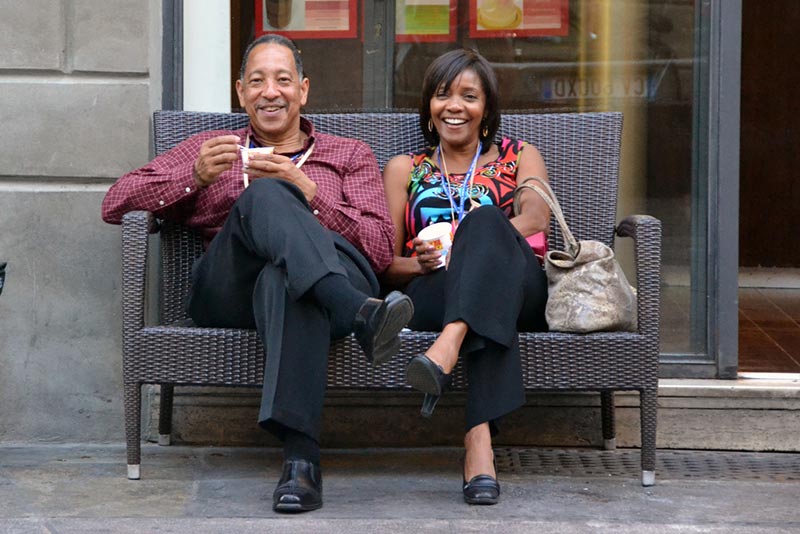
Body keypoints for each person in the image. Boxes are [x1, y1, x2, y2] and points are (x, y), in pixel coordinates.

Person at [102, 34, 413, 513]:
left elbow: (375, 249)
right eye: (257, 81)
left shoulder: (349, 154)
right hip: (230, 293)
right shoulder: (213, 150)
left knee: (286, 280)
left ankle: (301, 464)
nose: (271, 92)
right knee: (264, 196)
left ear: (303, 90)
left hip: (319, 282)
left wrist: (307, 190)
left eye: (283, 80)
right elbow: (115, 202)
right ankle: (360, 314)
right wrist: (193, 178)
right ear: (241, 92)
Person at [381, 48, 550, 505]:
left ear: (487, 108)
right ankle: (479, 442)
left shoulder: (520, 156)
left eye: (469, 96)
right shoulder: (405, 169)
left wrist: (472, 240)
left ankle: (449, 344)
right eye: (443, 94)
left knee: (485, 222)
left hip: (520, 287)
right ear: (428, 106)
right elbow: (385, 263)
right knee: (482, 297)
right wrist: (421, 263)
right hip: (433, 290)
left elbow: (536, 219)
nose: (454, 106)